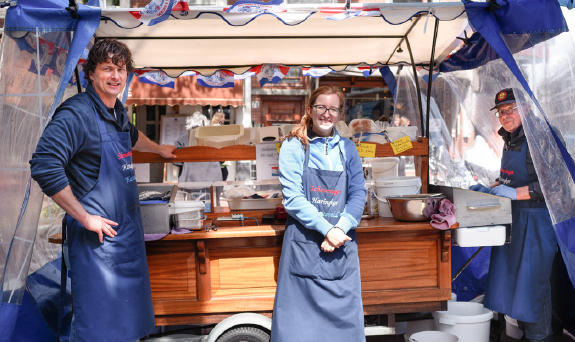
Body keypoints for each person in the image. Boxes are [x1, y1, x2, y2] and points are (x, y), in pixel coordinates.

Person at [30, 39, 177, 342]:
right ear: (91, 74)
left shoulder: (116, 110)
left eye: (120, 69)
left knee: (126, 328)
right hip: (96, 246)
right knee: (97, 330)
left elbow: (132, 137)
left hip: (125, 241)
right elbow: (44, 164)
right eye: (107, 68)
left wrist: (160, 150)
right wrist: (85, 218)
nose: (115, 76)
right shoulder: (77, 113)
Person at [271, 86, 367, 342]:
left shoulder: (348, 148)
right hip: (304, 245)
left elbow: (359, 194)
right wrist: (328, 230)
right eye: (321, 107)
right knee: (299, 332)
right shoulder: (293, 145)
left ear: (340, 114)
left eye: (333, 109)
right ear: (310, 110)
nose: (327, 114)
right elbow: (293, 198)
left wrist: (341, 227)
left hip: (341, 246)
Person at [469, 88, 557, 342]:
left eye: (510, 109)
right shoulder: (512, 137)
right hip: (514, 219)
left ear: (526, 108)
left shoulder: (539, 135)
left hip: (537, 221)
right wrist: (496, 188)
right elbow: (518, 175)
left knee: (533, 284)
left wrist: (513, 193)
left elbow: (554, 185)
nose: (505, 115)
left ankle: (539, 337)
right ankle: (523, 334)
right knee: (514, 283)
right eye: (501, 112)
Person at [174, 112, 223, 183]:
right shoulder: (213, 137)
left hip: (189, 181)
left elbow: (176, 161)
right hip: (213, 180)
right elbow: (222, 159)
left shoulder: (183, 138)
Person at [211, 110, 229, 180]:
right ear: (217, 118)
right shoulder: (219, 127)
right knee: (223, 173)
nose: (224, 119)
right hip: (219, 152)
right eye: (222, 117)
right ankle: (219, 190)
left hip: (214, 153)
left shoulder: (212, 127)